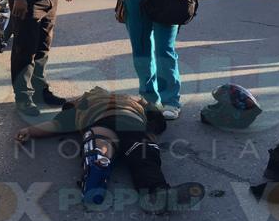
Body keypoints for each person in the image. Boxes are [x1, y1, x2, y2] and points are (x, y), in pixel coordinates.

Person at [15, 87, 205, 213]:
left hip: (99, 121)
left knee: (100, 143)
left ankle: (97, 165)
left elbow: (56, 125)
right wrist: (151, 132)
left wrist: (30, 131)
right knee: (143, 154)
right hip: (131, 123)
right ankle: (155, 192)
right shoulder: (134, 100)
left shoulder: (83, 102)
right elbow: (157, 119)